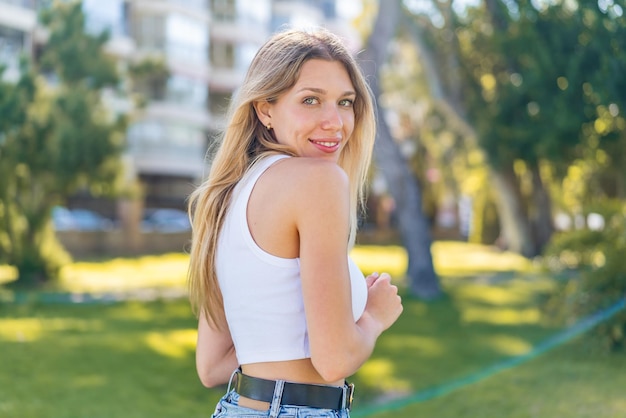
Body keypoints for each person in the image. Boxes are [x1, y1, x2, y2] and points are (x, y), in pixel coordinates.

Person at [187, 27, 403, 418]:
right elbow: (334, 360)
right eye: (310, 100)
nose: (334, 122)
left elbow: (212, 366)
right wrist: (373, 317)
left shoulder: (228, 195)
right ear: (265, 108)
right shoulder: (318, 182)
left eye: (345, 102)